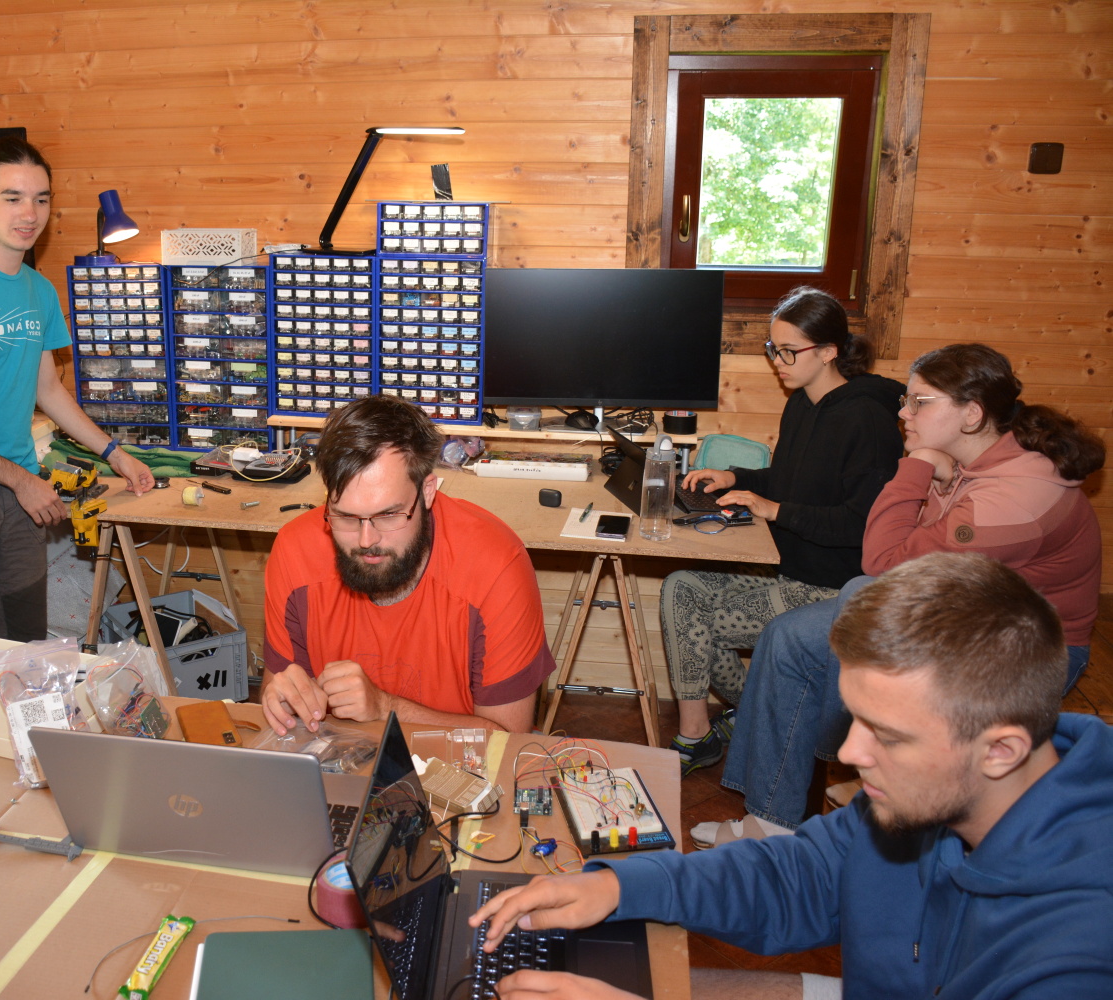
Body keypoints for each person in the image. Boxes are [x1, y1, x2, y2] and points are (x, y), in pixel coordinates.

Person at [471, 552, 1113, 1000]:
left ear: (999, 750)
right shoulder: (930, 795)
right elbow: (796, 876)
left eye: (887, 735)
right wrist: (619, 887)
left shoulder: (1079, 952)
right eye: (856, 717)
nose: (850, 751)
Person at [710, 342, 1103, 844]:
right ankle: (770, 821)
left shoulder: (1015, 499)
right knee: (788, 637)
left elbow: (884, 561)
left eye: (920, 402)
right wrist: (937, 474)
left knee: (859, 594)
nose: (903, 411)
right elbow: (918, 550)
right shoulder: (977, 459)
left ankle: (864, 788)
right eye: (906, 400)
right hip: (965, 615)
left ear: (971, 414)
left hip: (1027, 651)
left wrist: (917, 465)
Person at [661, 287, 902, 775]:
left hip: (831, 588)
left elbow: (864, 523)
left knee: (696, 619)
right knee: (679, 588)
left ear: (830, 351)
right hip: (785, 568)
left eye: (789, 351)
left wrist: (772, 509)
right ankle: (701, 731)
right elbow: (792, 480)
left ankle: (748, 721)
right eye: (773, 349)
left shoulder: (867, 419)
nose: (778, 362)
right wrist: (736, 478)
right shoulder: (803, 404)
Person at [0, 137, 154, 642]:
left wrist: (117, 455)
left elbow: (48, 390)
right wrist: (19, 481)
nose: (29, 213)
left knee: (28, 646)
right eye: (12, 197)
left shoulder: (38, 288)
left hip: (21, 492)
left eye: (41, 199)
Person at [261, 395, 556, 734]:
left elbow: (508, 741)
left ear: (427, 491)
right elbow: (281, 703)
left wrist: (386, 707)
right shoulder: (294, 550)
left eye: (388, 515)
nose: (366, 540)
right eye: (346, 517)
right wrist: (282, 701)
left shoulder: (496, 566)